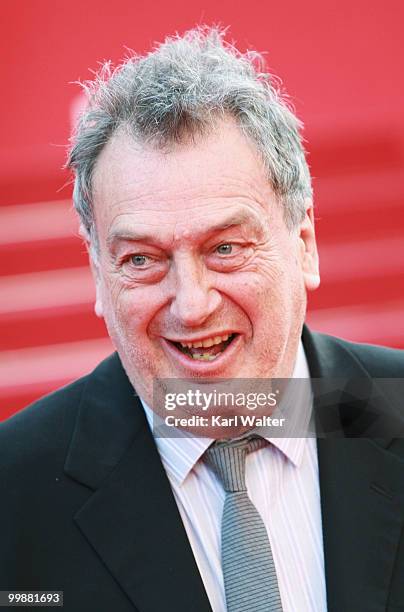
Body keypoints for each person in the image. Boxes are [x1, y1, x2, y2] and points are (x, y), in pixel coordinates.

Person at [0, 26, 403, 612]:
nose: (192, 305)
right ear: (97, 274)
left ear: (305, 244)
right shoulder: (13, 495)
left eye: (226, 248)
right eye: (141, 259)